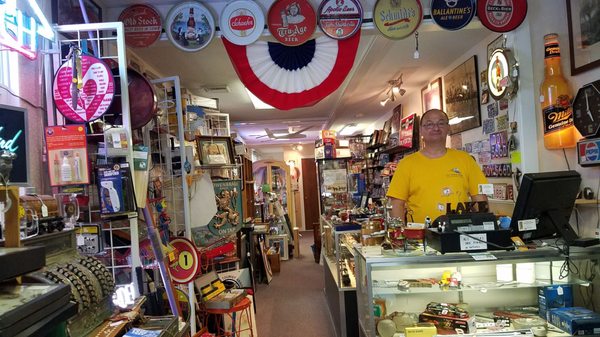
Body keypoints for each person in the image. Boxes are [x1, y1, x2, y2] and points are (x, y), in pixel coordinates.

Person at [387, 109, 488, 223]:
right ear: (421, 130)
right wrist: (399, 235)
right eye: (429, 124)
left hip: (459, 233)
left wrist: (484, 229)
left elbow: (480, 198)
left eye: (441, 123)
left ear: (448, 128)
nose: (436, 128)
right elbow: (396, 204)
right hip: (420, 237)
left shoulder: (465, 159)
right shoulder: (406, 164)